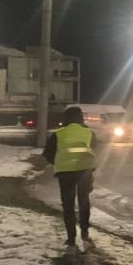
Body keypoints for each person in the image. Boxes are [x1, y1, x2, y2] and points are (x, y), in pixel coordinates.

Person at [42, 106, 98, 251]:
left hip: (65, 173)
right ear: (81, 118)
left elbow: (48, 153)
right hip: (84, 171)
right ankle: (85, 233)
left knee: (68, 205)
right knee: (84, 202)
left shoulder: (59, 134)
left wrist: (59, 162)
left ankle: (71, 238)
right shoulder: (88, 133)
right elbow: (95, 150)